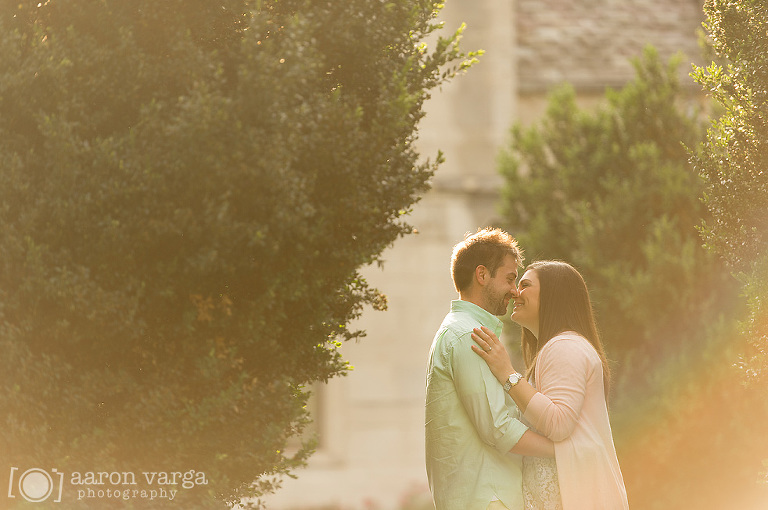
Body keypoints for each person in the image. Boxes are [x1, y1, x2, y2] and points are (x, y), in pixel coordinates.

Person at [471, 260, 629, 510]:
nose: (515, 293)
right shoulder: (557, 347)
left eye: (525, 285)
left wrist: (507, 373)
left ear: (553, 295)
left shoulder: (564, 346)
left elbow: (558, 423)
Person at [425, 228, 555, 510]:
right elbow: (499, 428)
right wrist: (564, 450)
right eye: (509, 279)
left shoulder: (461, 331)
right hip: (489, 498)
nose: (514, 290)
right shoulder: (468, 336)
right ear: (482, 275)